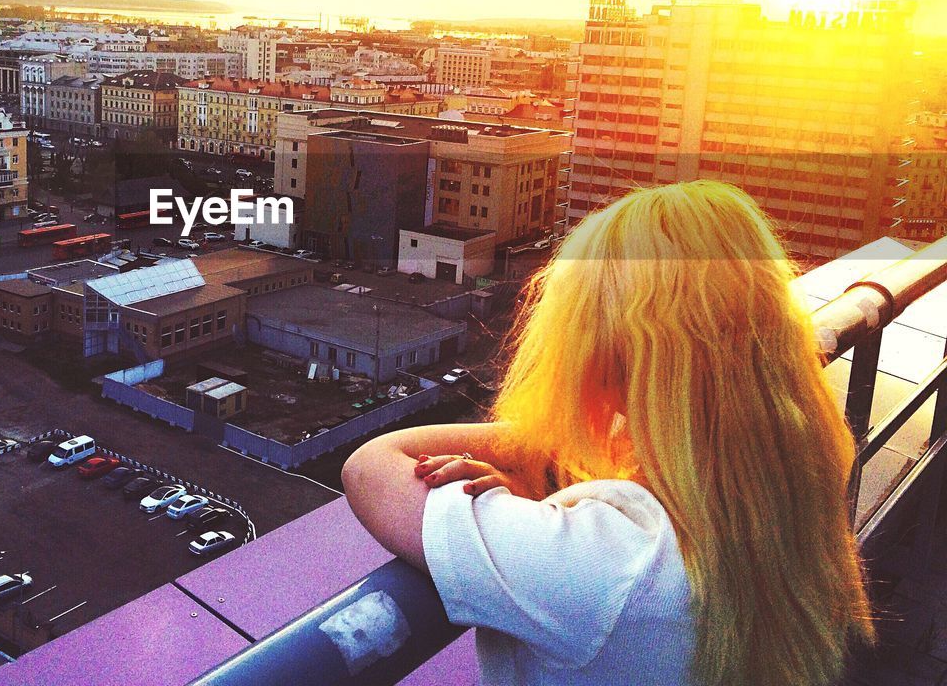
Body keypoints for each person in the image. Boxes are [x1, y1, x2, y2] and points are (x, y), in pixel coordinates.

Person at [342, 181, 871, 686]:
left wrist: (541, 438)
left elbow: (369, 466)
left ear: (611, 362)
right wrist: (541, 497)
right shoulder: (788, 499)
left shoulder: (610, 562)